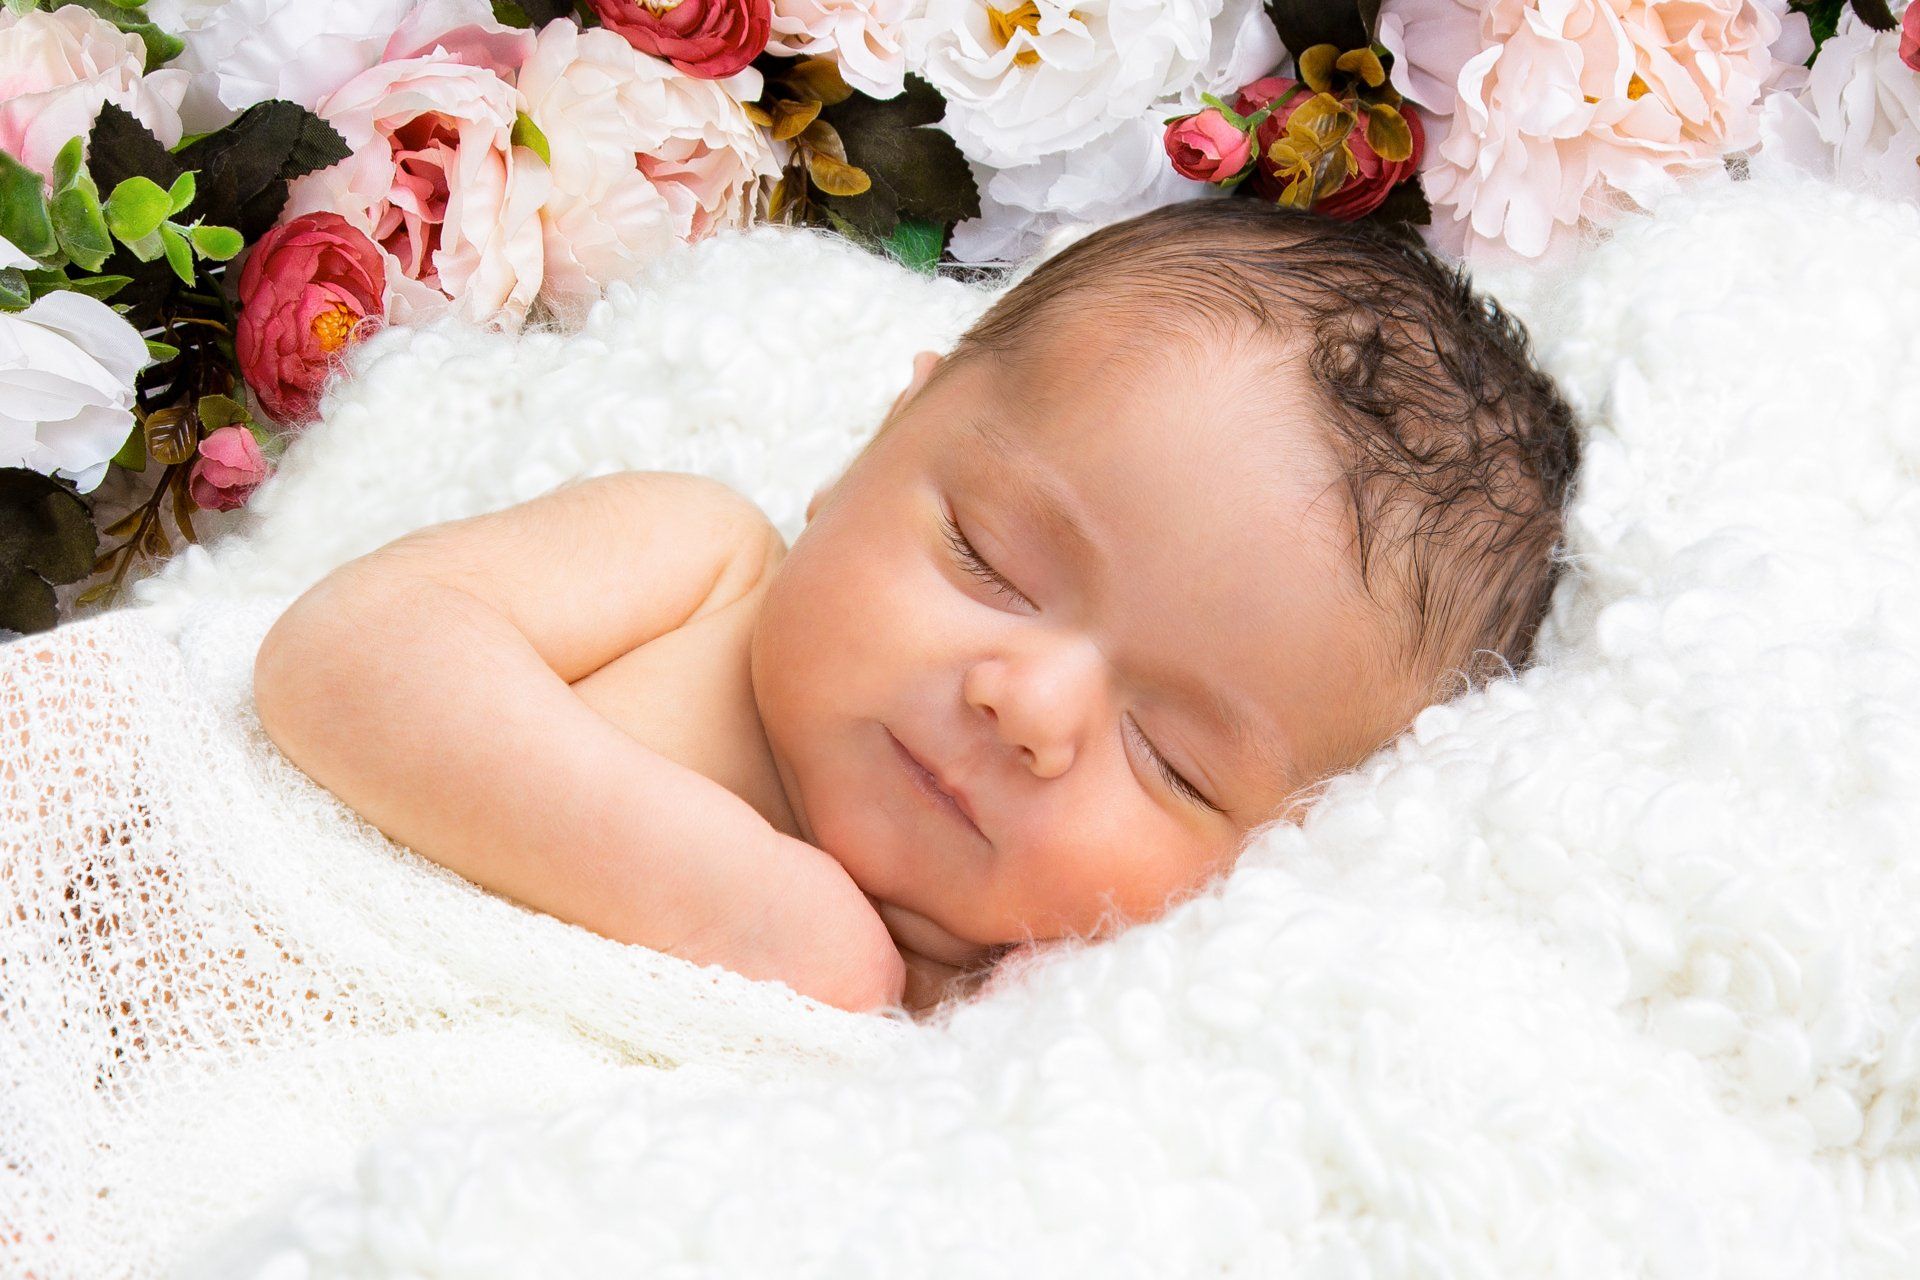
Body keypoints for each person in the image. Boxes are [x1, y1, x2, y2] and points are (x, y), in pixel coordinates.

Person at [250, 199, 1581, 1019]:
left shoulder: (1035, 1024)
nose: (1029, 704)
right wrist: (735, 905)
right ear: (880, 442)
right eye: (988, 559)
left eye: (1174, 761)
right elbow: (345, 657)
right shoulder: (697, 559)